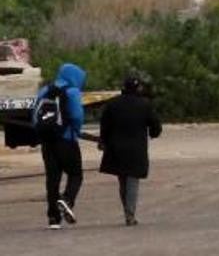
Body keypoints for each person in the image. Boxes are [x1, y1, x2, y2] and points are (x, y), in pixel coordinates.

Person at [98, 74, 162, 226]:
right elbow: (155, 125)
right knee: (133, 181)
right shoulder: (144, 104)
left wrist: (103, 142)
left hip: (116, 148)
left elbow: (104, 125)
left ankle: (127, 211)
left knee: (123, 182)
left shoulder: (112, 104)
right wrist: (154, 134)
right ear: (138, 87)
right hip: (136, 150)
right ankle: (130, 214)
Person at [31, 62, 87, 230]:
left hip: (47, 141)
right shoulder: (72, 91)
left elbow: (34, 116)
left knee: (52, 178)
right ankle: (67, 199)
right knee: (76, 174)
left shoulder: (45, 90)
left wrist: (42, 133)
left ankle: (53, 218)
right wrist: (75, 131)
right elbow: (77, 115)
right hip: (66, 139)